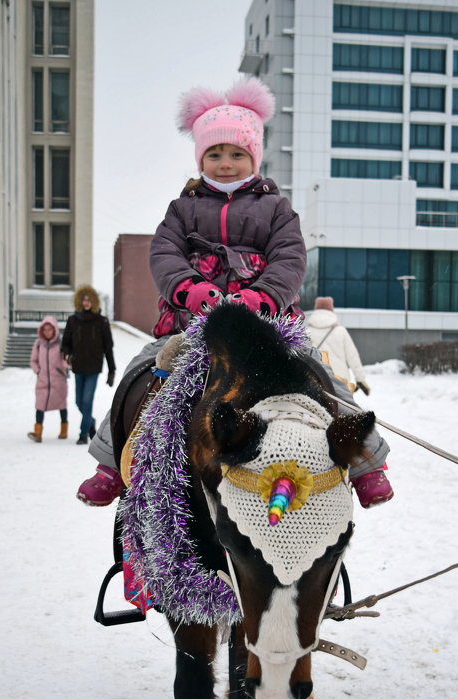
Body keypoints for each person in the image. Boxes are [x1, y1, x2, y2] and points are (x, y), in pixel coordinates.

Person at [77, 77, 393, 509]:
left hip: (267, 329)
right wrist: (192, 291)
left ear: (254, 157)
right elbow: (165, 253)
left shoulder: (277, 209)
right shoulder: (182, 209)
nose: (225, 163)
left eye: (236, 154)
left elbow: (289, 259)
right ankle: (111, 466)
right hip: (193, 327)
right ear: (201, 158)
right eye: (214, 153)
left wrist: (260, 298)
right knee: (142, 370)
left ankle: (367, 466)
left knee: (327, 379)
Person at [61, 285, 116, 446]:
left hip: (93, 367)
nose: (86, 302)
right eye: (84, 299)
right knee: (79, 401)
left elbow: (108, 348)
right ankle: (90, 421)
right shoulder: (73, 320)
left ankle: (83, 434)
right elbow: (66, 343)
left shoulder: (102, 321)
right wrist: (67, 353)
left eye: (89, 299)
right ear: (79, 301)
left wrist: (111, 370)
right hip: (78, 366)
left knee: (87, 401)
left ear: (94, 302)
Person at [305, 297, 371, 395]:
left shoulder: (306, 332)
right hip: (340, 380)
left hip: (314, 379)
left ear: (316, 309)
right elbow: (352, 357)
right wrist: (360, 379)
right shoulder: (341, 331)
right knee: (341, 409)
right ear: (331, 310)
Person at [27, 316, 69, 443]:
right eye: (45, 329)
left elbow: (65, 360)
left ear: (54, 329)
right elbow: (33, 360)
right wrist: (38, 371)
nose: (47, 332)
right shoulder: (39, 344)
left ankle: (63, 431)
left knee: (62, 405)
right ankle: (38, 433)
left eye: (49, 329)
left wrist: (67, 364)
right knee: (39, 405)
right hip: (43, 381)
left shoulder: (61, 343)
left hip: (58, 380)